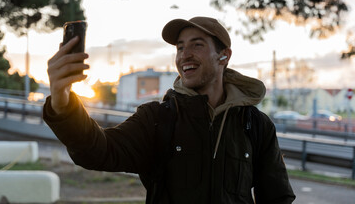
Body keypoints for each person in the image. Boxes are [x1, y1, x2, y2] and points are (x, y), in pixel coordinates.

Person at [43, 16, 296, 204]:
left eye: (197, 45)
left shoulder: (256, 124)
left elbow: (277, 197)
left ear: (224, 56)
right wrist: (62, 100)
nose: (184, 54)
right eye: (180, 47)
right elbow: (98, 151)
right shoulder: (157, 118)